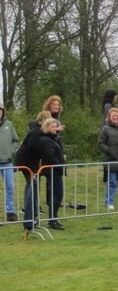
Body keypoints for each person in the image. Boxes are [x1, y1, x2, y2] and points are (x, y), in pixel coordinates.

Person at [40, 95, 66, 223]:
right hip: (53, 169)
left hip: (56, 168)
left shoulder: (53, 139)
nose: (55, 128)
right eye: (52, 126)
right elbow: (49, 155)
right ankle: (52, 218)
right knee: (57, 194)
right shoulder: (46, 140)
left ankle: (53, 217)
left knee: (57, 194)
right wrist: (59, 164)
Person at [0, 105, 19, 224]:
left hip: (7, 162)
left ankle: (10, 212)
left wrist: (12, 150)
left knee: (10, 187)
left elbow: (15, 140)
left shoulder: (9, 125)